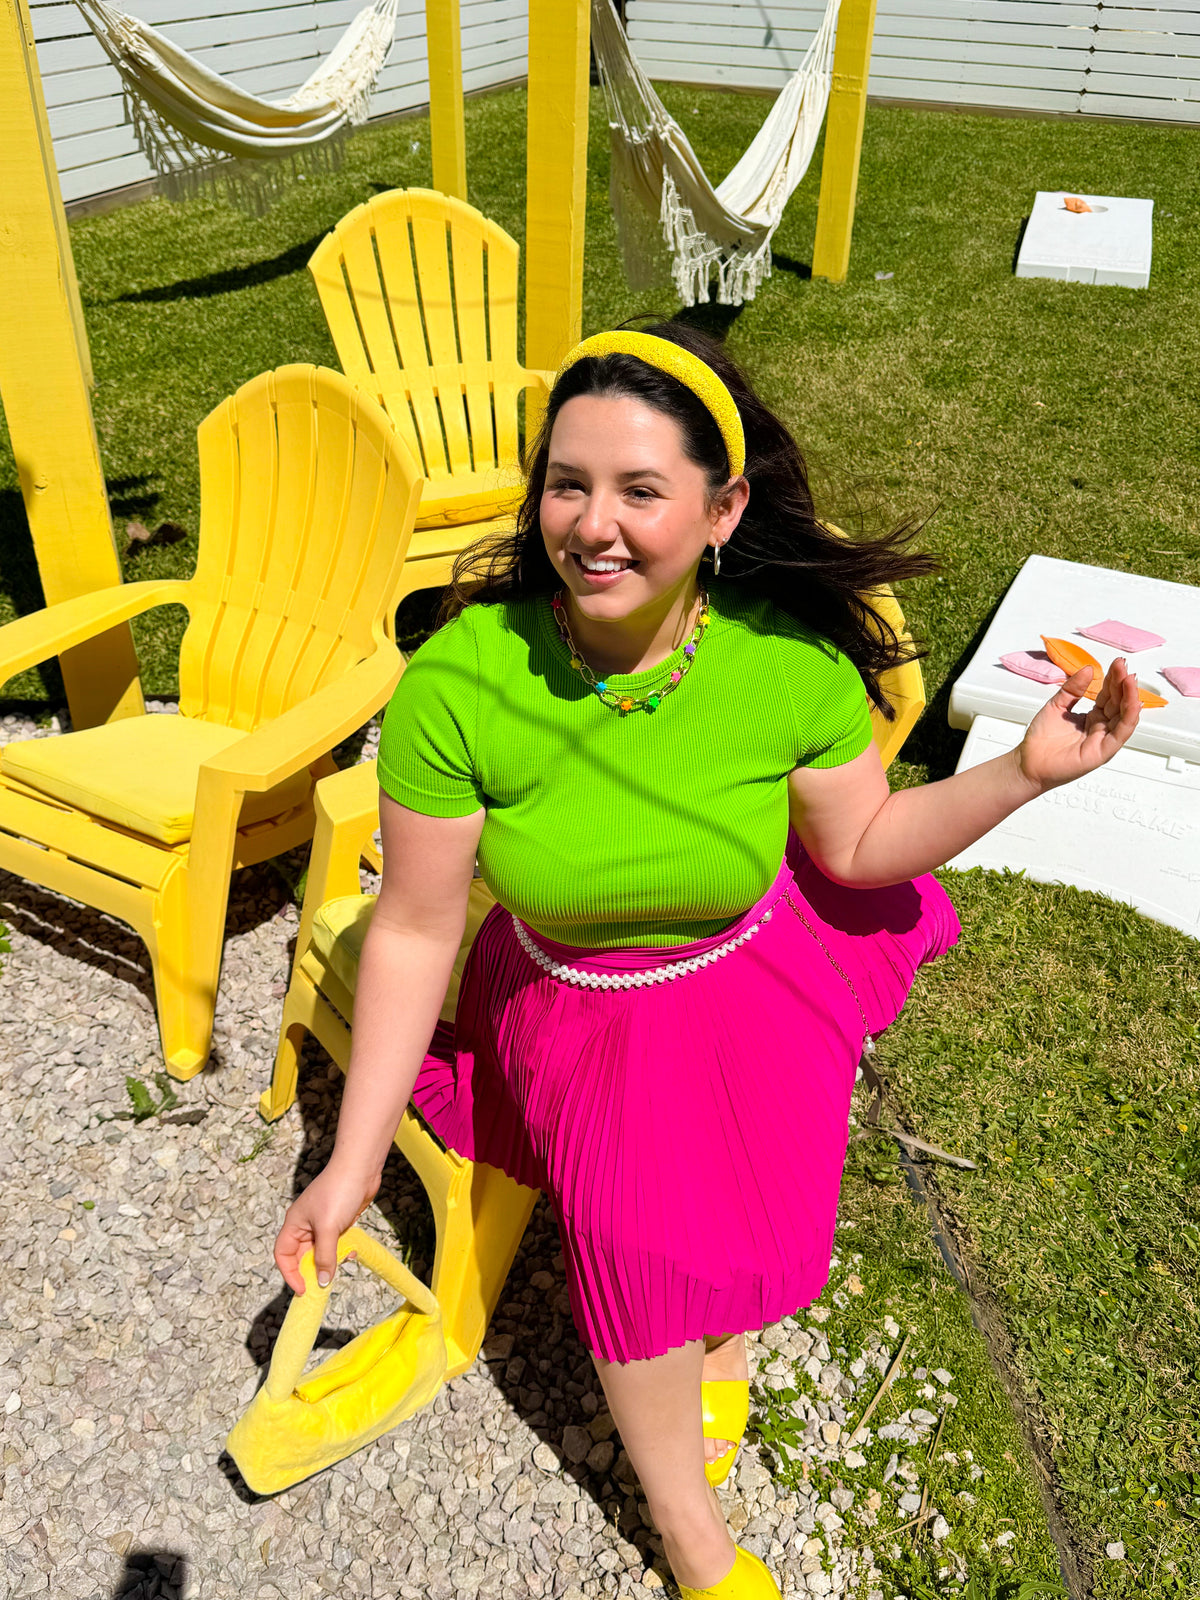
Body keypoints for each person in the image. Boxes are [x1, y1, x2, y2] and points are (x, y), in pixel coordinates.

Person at [274, 323, 1140, 1599]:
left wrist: (1021, 771)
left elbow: (860, 845)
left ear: (723, 510)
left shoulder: (785, 662)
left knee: (749, 1208)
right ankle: (693, 1539)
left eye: (641, 490)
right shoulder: (462, 679)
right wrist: (352, 1163)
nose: (593, 526)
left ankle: (718, 1337)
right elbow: (411, 925)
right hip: (575, 1004)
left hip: (748, 977)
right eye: (567, 484)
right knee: (634, 1252)